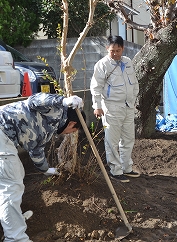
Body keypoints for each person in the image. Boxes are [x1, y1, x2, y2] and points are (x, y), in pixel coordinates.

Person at [0, 93, 85, 242]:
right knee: (11, 184)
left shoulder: (49, 130)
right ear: (72, 124)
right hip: (2, 131)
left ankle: (12, 221)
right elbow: (35, 100)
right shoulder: (56, 110)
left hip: (5, 139)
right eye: (73, 131)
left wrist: (45, 169)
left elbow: (36, 150)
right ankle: (15, 237)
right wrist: (63, 100)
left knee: (15, 173)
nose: (70, 134)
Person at [90, 35, 140, 183]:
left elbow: (135, 83)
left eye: (118, 50)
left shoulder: (128, 62)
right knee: (112, 141)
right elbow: (95, 87)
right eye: (112, 51)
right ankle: (115, 171)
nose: (115, 54)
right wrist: (97, 106)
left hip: (128, 106)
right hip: (111, 107)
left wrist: (134, 99)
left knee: (128, 138)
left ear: (123, 48)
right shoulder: (102, 64)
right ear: (107, 49)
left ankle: (126, 168)